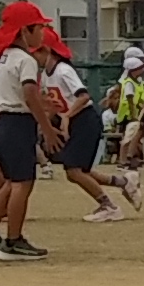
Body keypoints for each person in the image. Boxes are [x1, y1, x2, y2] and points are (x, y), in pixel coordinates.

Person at [0, 2, 63, 261]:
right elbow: (28, 93)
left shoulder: (4, 56)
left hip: (5, 124)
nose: (43, 32)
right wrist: (47, 127)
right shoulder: (26, 60)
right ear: (26, 31)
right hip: (18, 124)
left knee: (12, 182)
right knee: (23, 184)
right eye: (40, 27)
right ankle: (13, 241)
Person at [44, 38, 133, 222]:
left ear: (47, 51)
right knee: (78, 170)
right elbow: (54, 103)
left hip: (84, 120)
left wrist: (67, 116)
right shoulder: (46, 74)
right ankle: (123, 182)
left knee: (73, 170)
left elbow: (83, 96)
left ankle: (109, 206)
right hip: (74, 121)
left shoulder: (63, 70)